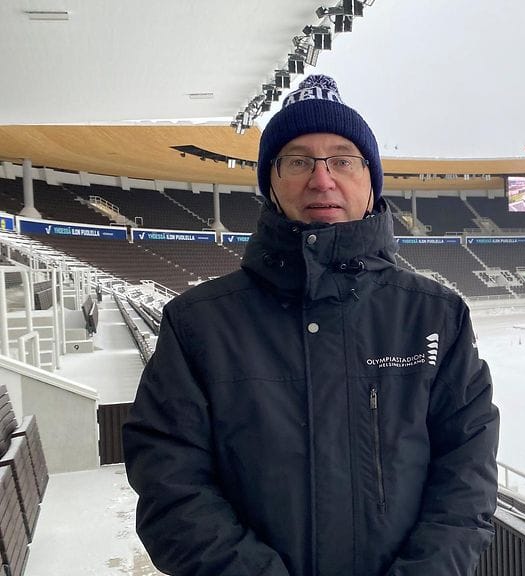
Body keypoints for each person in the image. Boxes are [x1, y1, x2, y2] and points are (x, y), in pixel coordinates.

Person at [122, 74, 500, 576]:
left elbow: (466, 480)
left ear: (371, 182)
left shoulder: (436, 315)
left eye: (343, 160)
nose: (322, 179)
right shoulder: (197, 325)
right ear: (271, 185)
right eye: (298, 161)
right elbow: (171, 487)